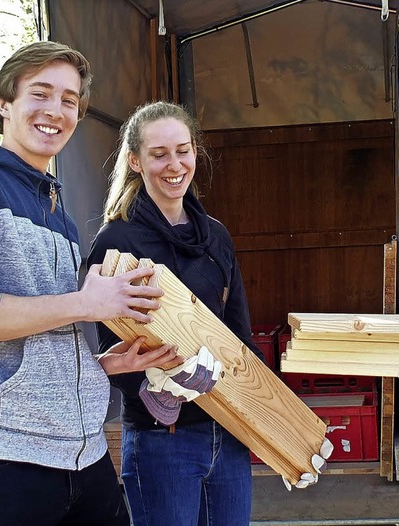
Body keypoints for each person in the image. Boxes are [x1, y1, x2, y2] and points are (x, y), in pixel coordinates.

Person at [0, 41, 182, 526]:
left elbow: (47, 325)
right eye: (41, 93)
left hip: (83, 453)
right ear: (4, 102)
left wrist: (98, 363)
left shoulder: (55, 207)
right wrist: (86, 303)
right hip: (2, 461)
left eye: (69, 100)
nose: (56, 111)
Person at [87, 100, 266, 526]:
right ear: (135, 161)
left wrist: (266, 414)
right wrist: (162, 386)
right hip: (161, 441)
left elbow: (240, 332)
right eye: (159, 154)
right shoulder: (117, 242)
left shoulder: (217, 237)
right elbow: (113, 347)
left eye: (183, 150)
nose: (174, 164)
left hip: (228, 429)